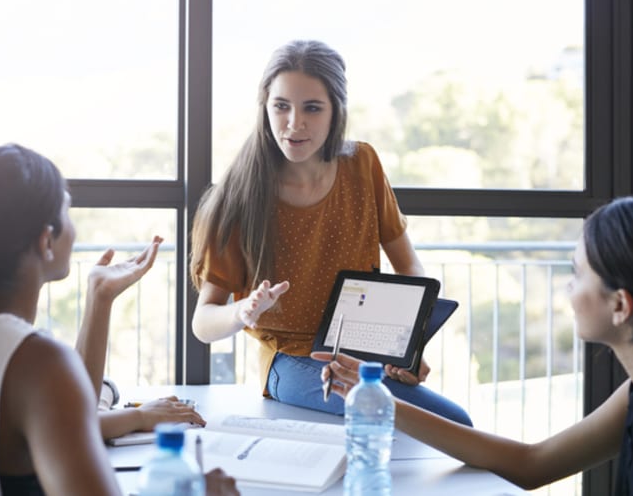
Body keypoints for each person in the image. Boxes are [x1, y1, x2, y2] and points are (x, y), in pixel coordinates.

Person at [0, 144, 237, 496]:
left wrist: (99, 295)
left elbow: (75, 417)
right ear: (46, 240)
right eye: (68, 212)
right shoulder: (35, 361)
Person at [313, 196, 633, 495]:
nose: (569, 287)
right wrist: (380, 400)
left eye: (578, 274)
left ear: (620, 306)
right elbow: (532, 463)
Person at [190, 39, 471, 425]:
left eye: (312, 108)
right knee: (393, 419)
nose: (294, 123)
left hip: (363, 352)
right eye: (281, 106)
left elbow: (409, 267)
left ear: (335, 111)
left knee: (456, 422)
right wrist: (244, 310)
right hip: (289, 361)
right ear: (265, 108)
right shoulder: (237, 198)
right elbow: (203, 323)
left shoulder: (362, 164)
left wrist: (406, 348)